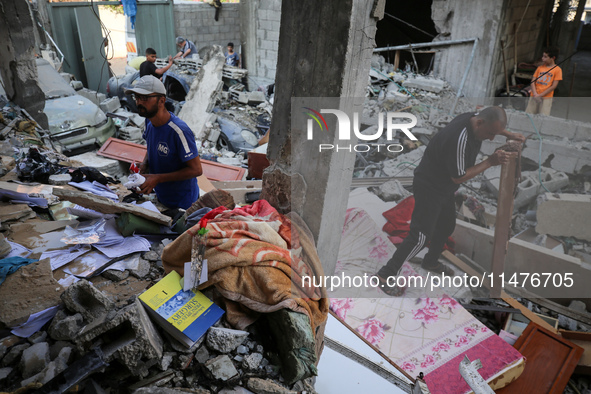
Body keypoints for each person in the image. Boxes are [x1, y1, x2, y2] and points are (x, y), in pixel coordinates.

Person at [375, 107, 525, 296]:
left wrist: (509, 134)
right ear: (479, 123)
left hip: (443, 186)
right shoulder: (459, 138)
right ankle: (385, 274)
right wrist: (490, 162)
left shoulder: (474, 118)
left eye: (495, 134)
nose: (492, 138)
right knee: (420, 237)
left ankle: (430, 261)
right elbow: (458, 176)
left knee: (446, 226)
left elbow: (488, 116)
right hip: (430, 186)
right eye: (490, 133)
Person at [124, 76, 203, 210]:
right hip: (161, 197)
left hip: (183, 204)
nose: (138, 103)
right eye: (136, 97)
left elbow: (196, 170)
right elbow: (151, 146)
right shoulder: (149, 121)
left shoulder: (179, 131)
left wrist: (157, 178)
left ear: (161, 100)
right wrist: (145, 164)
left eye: (144, 98)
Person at [526, 47, 562, 116]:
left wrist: (540, 95)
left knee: (543, 117)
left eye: (545, 57)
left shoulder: (557, 70)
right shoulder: (540, 68)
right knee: (529, 115)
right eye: (543, 56)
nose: (543, 58)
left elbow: (553, 86)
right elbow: (533, 81)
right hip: (534, 96)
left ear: (553, 58)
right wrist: (535, 94)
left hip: (546, 98)